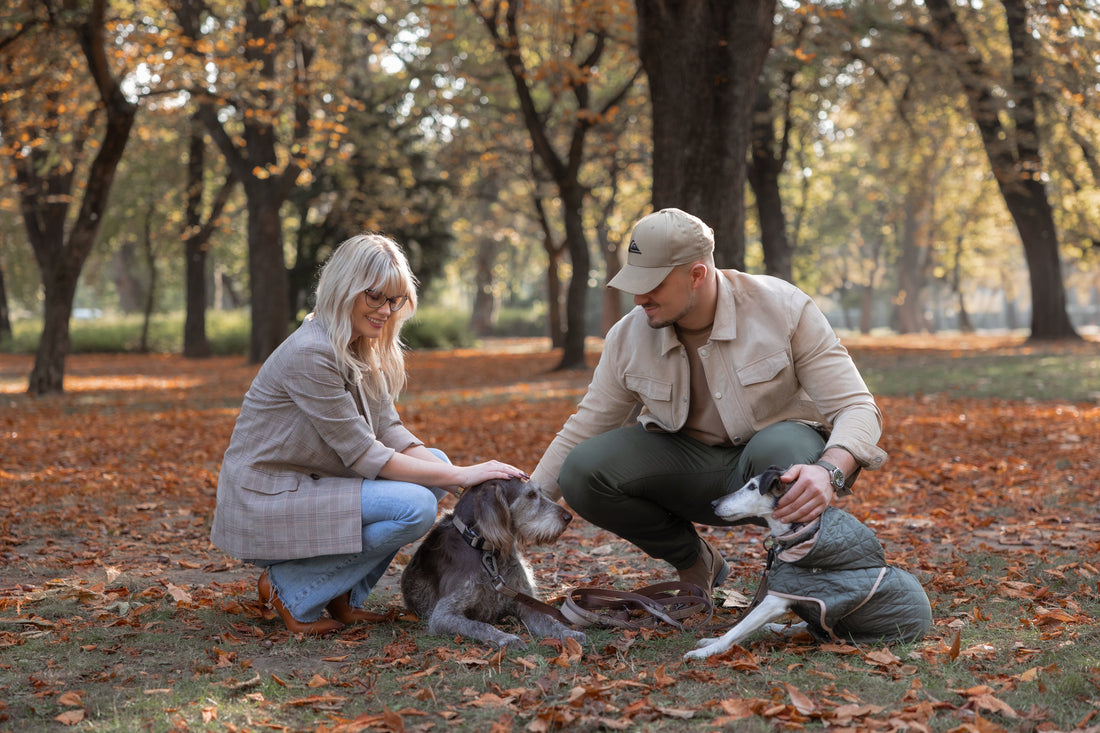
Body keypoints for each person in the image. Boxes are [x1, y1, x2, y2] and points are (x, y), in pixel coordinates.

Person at [530, 208, 887, 600]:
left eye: (652, 284)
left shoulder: (784, 308)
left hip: (772, 468)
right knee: (581, 469)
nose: (639, 297)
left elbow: (857, 407)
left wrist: (829, 472)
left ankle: (789, 577)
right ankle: (695, 561)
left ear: (696, 274)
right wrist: (519, 506)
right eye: (635, 282)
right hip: (687, 471)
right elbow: (585, 425)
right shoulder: (628, 336)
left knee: (783, 447)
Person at [210, 233, 529, 635]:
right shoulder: (313, 352)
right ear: (344, 288)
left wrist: (457, 475)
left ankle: (343, 593)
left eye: (394, 300)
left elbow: (388, 429)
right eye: (374, 297)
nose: (385, 310)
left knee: (438, 467)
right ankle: (288, 589)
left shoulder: (359, 345)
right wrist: (463, 477)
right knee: (415, 505)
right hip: (267, 496)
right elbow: (364, 454)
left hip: (310, 485)